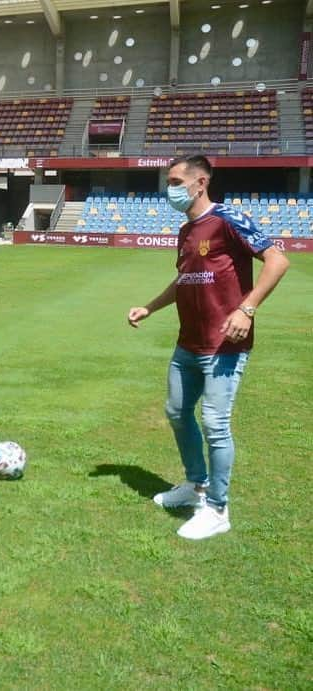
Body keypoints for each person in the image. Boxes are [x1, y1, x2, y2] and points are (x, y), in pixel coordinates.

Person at [127, 155, 289, 539]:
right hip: (188, 343)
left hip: (225, 344)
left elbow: (277, 261)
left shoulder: (228, 218)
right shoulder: (186, 232)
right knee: (177, 412)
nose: (170, 189)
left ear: (200, 183)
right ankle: (195, 486)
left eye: (176, 181)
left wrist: (246, 309)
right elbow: (184, 280)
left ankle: (217, 509)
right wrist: (149, 307)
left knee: (215, 424)